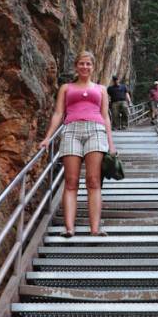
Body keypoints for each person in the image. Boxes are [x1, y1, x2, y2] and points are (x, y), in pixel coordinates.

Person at [39, 50, 116, 238]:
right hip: (71, 130)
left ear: (93, 67)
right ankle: (69, 228)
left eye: (88, 64)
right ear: (76, 66)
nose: (85, 67)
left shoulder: (101, 89)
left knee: (94, 181)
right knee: (71, 181)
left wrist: (111, 144)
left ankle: (95, 229)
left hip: (96, 131)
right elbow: (58, 113)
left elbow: (106, 116)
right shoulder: (66, 88)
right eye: (81, 63)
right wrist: (48, 137)